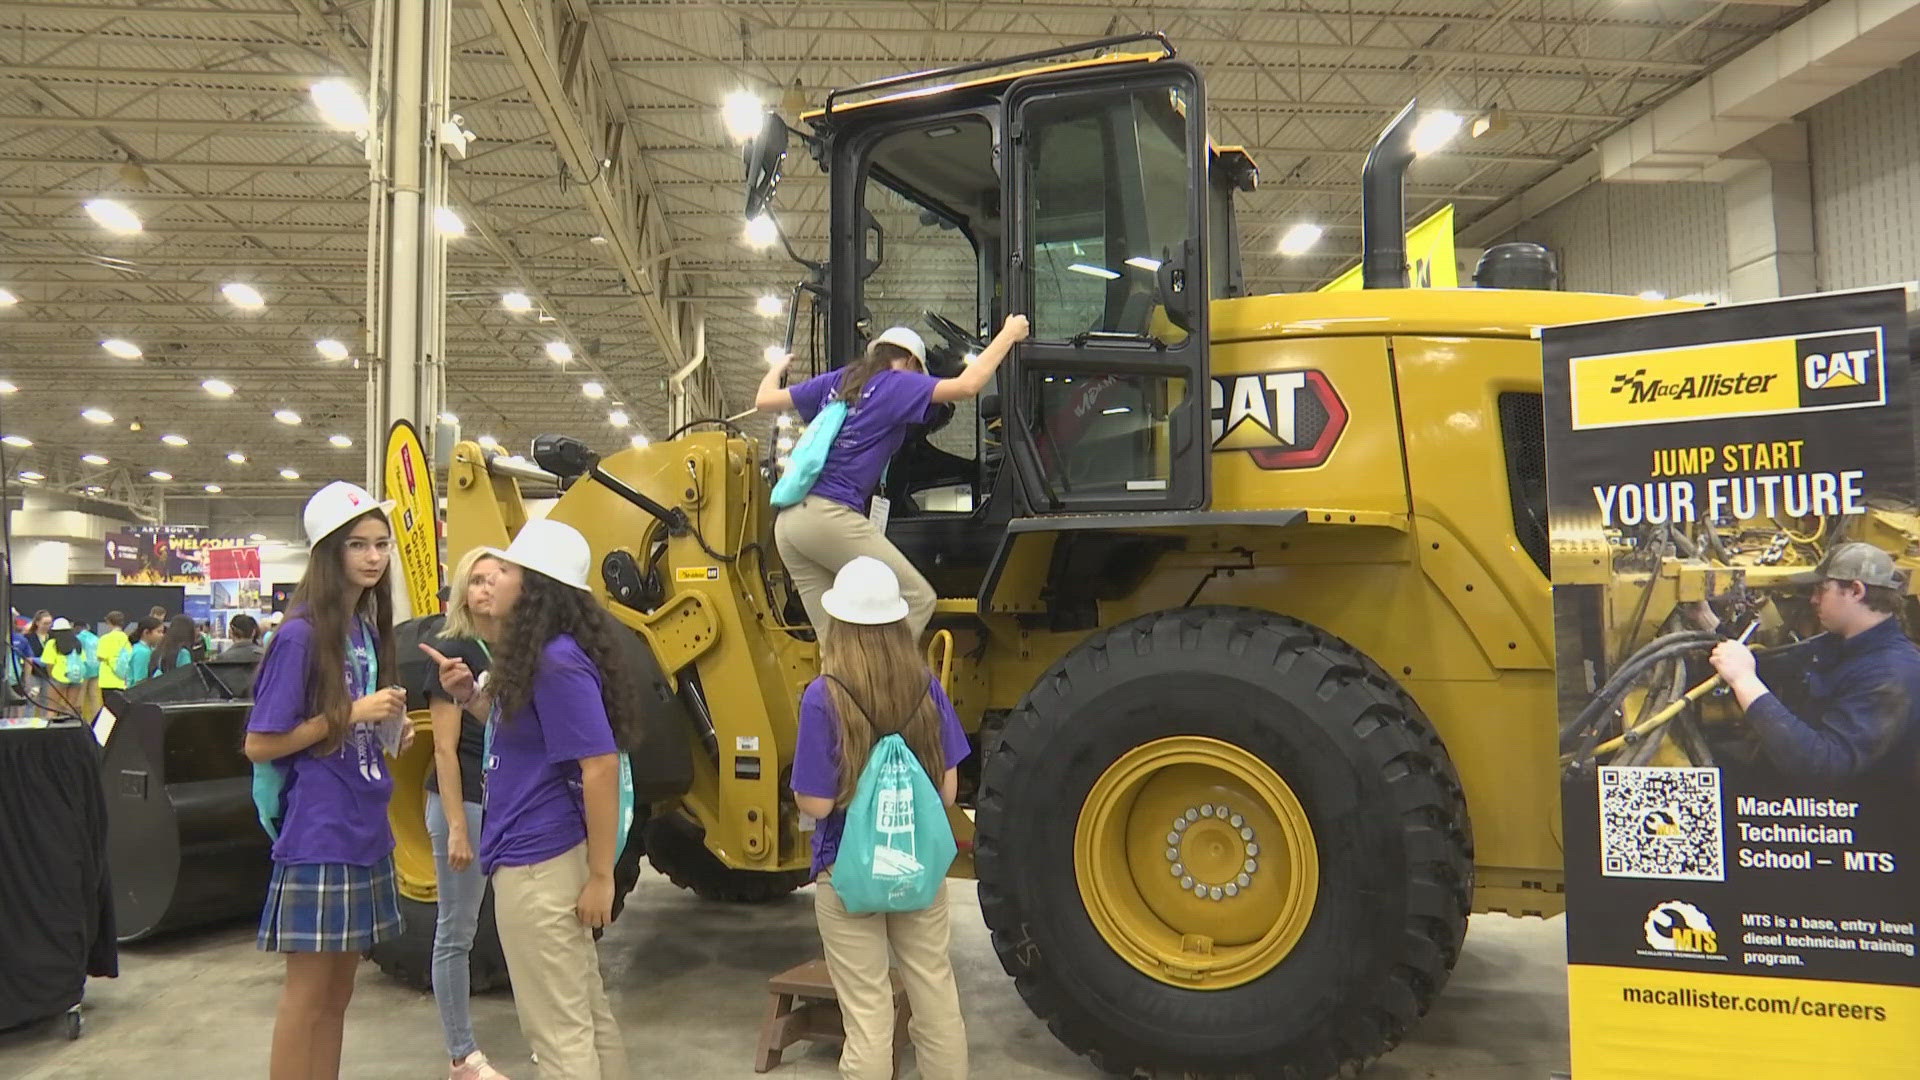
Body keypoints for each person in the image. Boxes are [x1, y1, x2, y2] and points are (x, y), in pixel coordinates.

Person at [421, 519, 637, 1080]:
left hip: (539, 865)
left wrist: (601, 876)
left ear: (536, 584)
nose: (495, 579)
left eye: (509, 570)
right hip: (540, 856)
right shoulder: (542, 657)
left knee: (558, 1033)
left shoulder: (554, 661)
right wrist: (470, 696)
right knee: (583, 1012)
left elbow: (600, 765)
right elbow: (528, 740)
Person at [242, 480, 410, 1080]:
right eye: (358, 545)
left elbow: (344, 730)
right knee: (308, 996)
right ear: (328, 552)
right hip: (319, 832)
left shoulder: (363, 631)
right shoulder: (300, 635)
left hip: (365, 825)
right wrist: (351, 716)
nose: (373, 557)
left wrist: (385, 730)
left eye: (381, 544)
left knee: (339, 997)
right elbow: (260, 743)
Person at [788, 556, 971, 1080]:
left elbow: (817, 805)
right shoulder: (926, 686)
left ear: (839, 624)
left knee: (868, 1014)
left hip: (848, 872)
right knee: (935, 994)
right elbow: (949, 791)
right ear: (897, 624)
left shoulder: (825, 696)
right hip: (918, 868)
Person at [755, 314, 1029, 642]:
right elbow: (968, 386)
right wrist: (1009, 335)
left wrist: (777, 368)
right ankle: (886, 681)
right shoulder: (897, 383)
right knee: (918, 599)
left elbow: (764, 400)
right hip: (827, 516)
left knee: (834, 644)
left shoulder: (841, 380)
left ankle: (839, 691)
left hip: (790, 526)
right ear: (911, 361)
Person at [1707, 542, 1920, 782]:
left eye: (1822, 589)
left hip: (1833, 809)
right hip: (1779, 777)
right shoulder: (1837, 643)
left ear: (1855, 591)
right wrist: (1709, 624)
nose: (1813, 600)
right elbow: (1771, 670)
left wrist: (1744, 680)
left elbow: (1821, 764)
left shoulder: (1894, 674)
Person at [419, 548, 511, 1080]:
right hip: (467, 804)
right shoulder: (454, 651)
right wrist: (456, 825)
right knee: (456, 931)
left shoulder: (520, 648)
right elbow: (445, 750)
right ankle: (462, 1055)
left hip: (510, 802)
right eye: (474, 580)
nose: (483, 588)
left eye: (493, 578)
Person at [39, 618, 89, 718]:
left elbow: (49, 663)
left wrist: (51, 677)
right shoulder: (77, 643)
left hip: (58, 677)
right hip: (76, 678)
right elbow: (83, 660)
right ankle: (69, 730)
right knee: (70, 708)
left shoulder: (52, 644)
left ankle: (50, 732)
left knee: (52, 707)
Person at [118, 616, 165, 688]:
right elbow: (140, 681)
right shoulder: (142, 652)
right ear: (146, 632)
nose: (162, 635)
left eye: (162, 632)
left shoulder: (142, 649)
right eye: (159, 632)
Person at [97, 612, 131, 692]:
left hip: (108, 680)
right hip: (124, 680)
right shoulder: (126, 638)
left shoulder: (105, 639)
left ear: (108, 622)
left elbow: (100, 656)